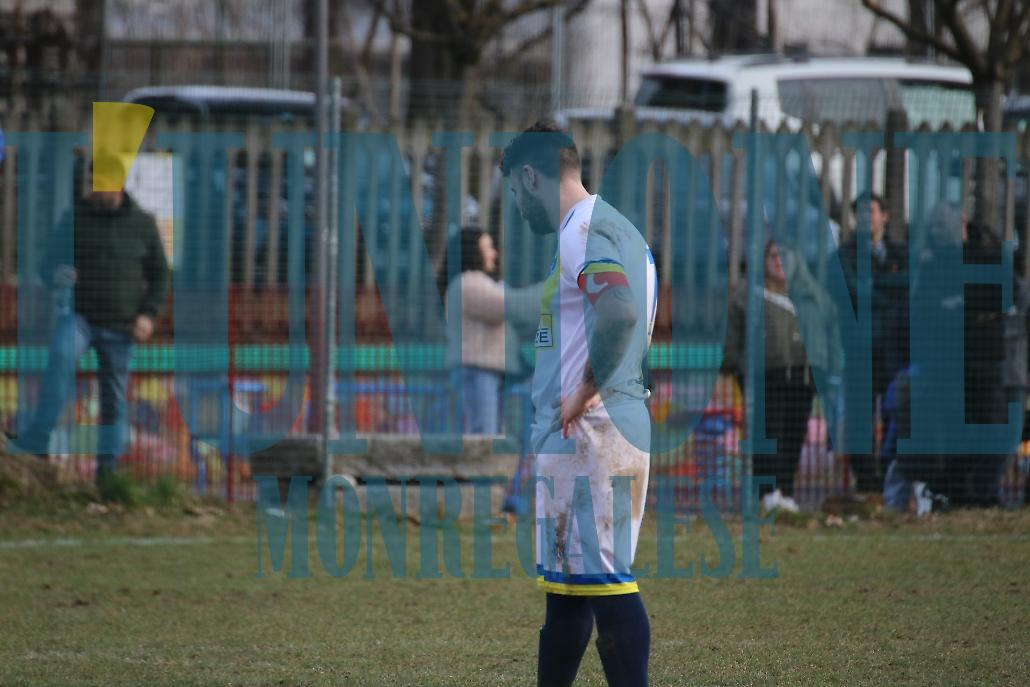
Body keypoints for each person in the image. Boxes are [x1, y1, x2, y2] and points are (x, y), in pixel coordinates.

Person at [501, 119, 658, 687]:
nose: (517, 206)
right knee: (569, 595)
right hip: (599, 428)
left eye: (514, 191)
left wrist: (587, 388)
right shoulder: (616, 228)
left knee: (609, 591)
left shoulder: (581, 231)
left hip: (595, 432)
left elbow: (619, 313)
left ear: (530, 177)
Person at [6, 154, 169, 480]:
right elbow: (47, 267)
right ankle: (38, 440)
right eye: (95, 182)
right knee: (60, 361)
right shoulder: (75, 218)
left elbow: (160, 275)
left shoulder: (142, 224)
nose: (98, 189)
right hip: (79, 317)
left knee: (114, 399)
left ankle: (107, 472)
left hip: (122, 324)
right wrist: (58, 275)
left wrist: (148, 315)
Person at [722, 239, 841, 513]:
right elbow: (732, 336)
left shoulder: (814, 296)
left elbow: (831, 334)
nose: (779, 261)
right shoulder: (748, 294)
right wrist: (734, 365)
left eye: (786, 256)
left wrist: (831, 370)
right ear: (764, 261)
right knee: (767, 434)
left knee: (793, 435)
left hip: (803, 375)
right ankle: (766, 493)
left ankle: (786, 492)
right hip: (765, 374)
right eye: (774, 255)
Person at [836, 191, 908, 494]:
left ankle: (891, 472)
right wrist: (888, 293)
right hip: (859, 347)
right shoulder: (845, 254)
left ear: (885, 216)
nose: (867, 217)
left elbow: (908, 284)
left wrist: (874, 284)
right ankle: (866, 479)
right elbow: (853, 291)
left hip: (894, 347)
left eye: (873, 211)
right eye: (861, 212)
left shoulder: (901, 252)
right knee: (860, 417)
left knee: (896, 411)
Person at [444, 226, 506, 434]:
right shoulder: (470, 283)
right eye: (488, 248)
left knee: (488, 432)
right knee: (484, 435)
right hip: (478, 370)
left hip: (483, 370)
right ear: (474, 252)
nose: (493, 253)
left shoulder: (467, 283)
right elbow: (505, 307)